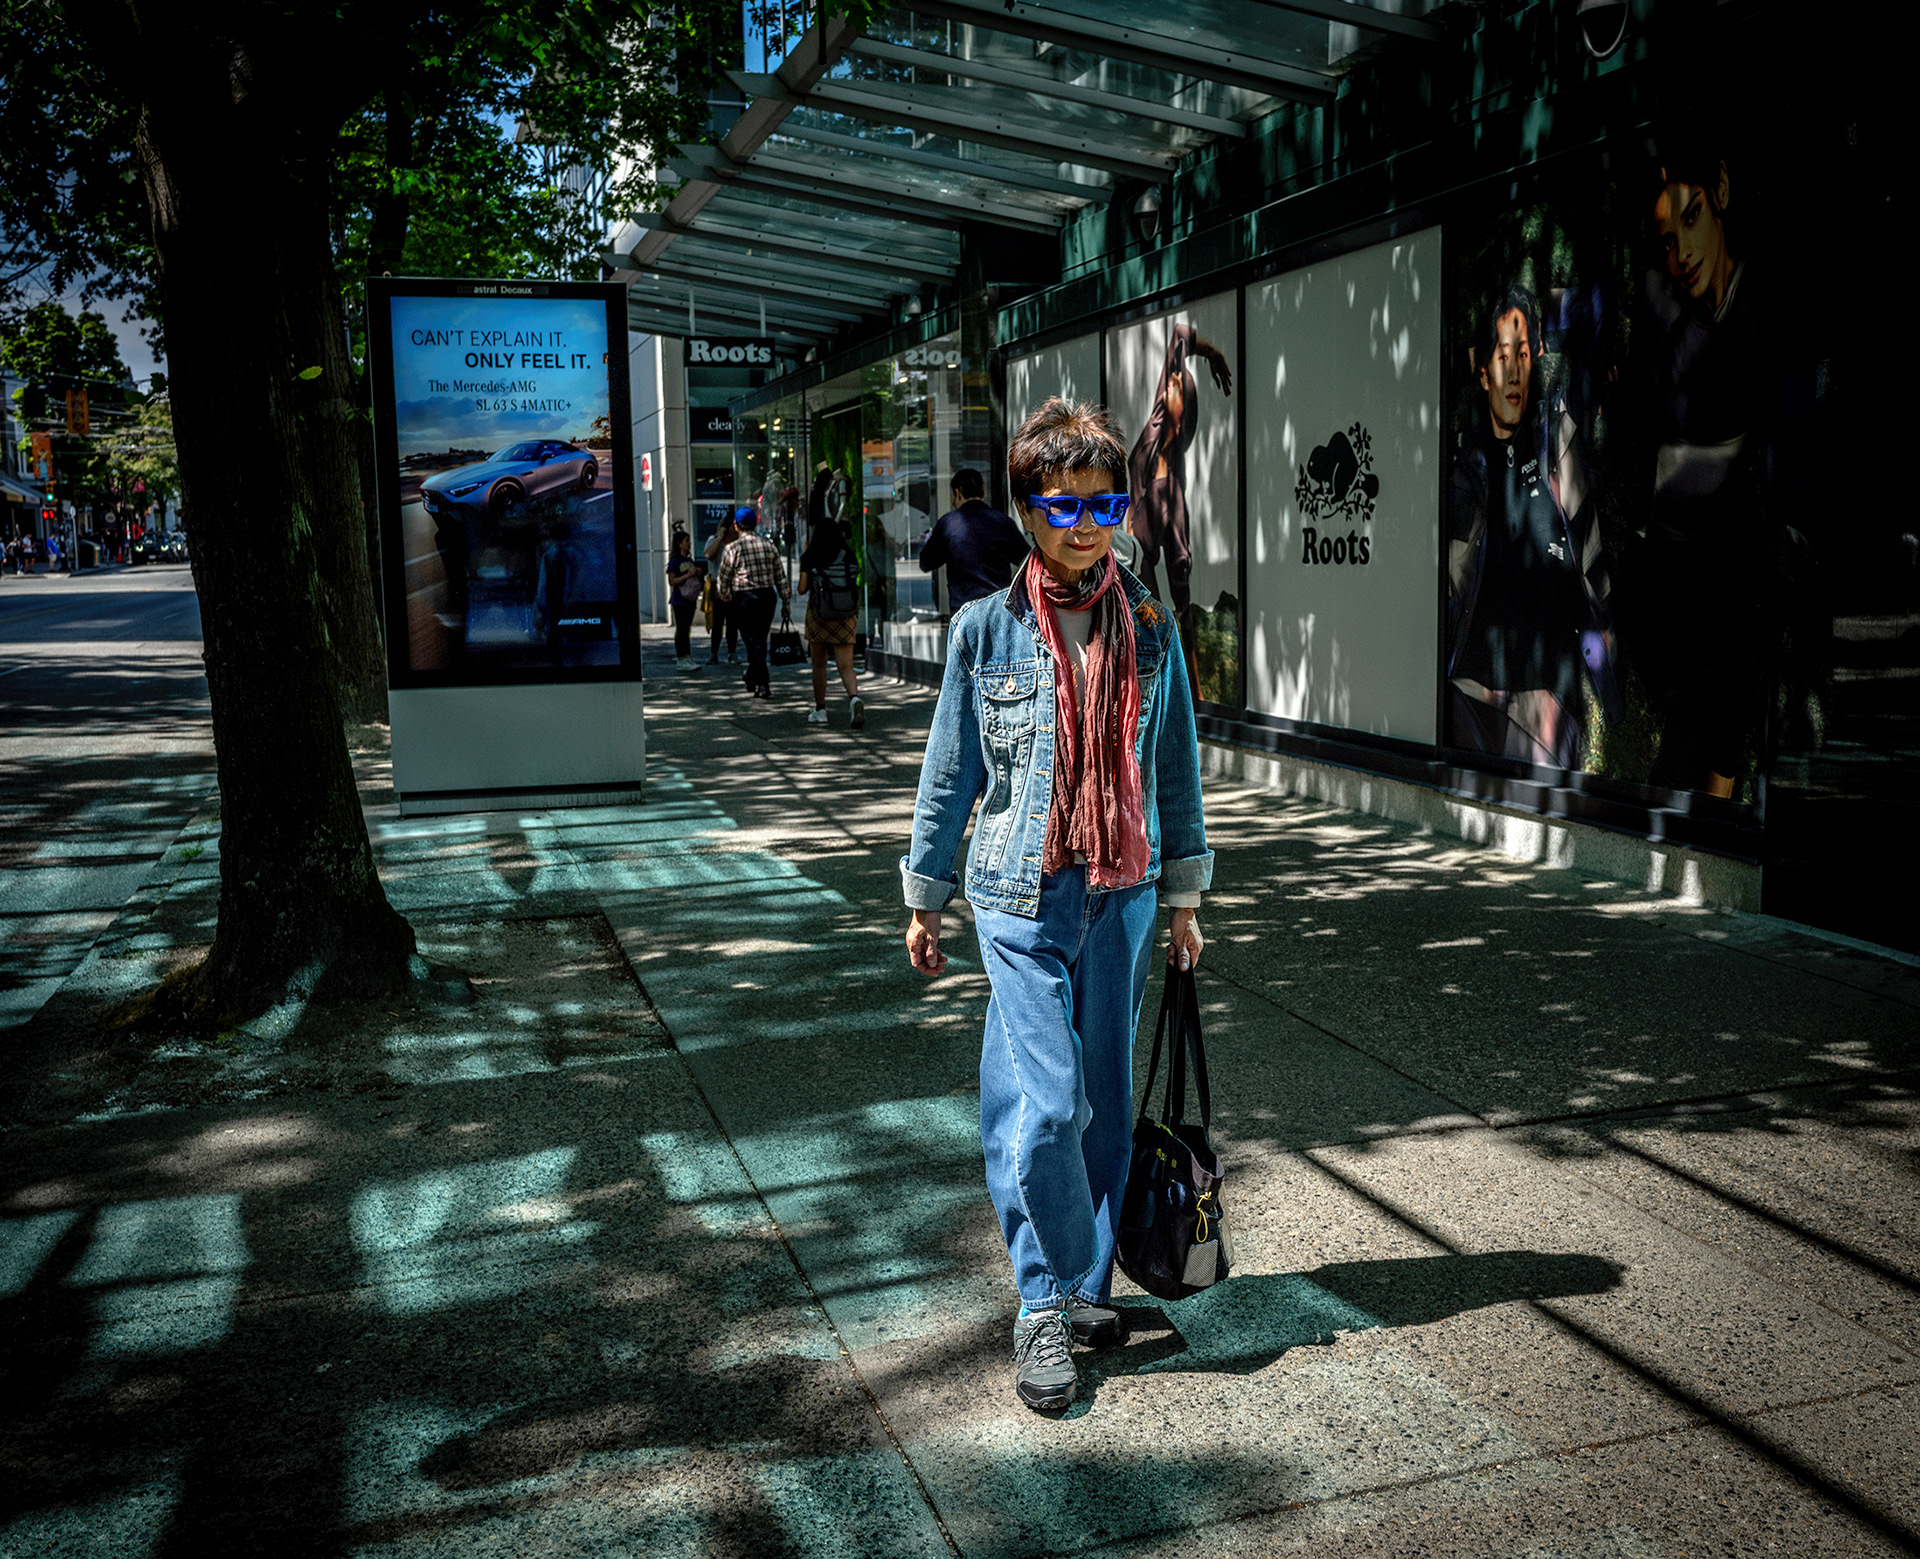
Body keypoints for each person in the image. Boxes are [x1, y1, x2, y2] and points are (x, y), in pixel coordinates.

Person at [902, 397, 1212, 1414]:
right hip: (1017, 892)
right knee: (1045, 1104)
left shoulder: (1154, 627)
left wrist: (1184, 899)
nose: (1087, 523)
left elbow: (1174, 771)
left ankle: (1084, 1289)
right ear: (1028, 510)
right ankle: (1041, 1298)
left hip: (1121, 895)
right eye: (1064, 504)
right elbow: (952, 773)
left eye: (1103, 502)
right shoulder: (983, 630)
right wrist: (925, 893)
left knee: (1106, 1104)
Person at [1446, 284, 1617, 766]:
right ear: (1483, 372)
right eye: (1502, 356)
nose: (1515, 371)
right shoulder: (1464, 462)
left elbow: (1596, 308)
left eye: (1524, 353)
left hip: (1547, 698)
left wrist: (1535, 312)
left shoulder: (1555, 434)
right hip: (1472, 694)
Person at [1126, 321, 1232, 694]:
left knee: (1180, 606)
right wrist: (1212, 352)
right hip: (1141, 543)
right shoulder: (1152, 433)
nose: (1169, 386)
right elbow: (1180, 335)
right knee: (1148, 608)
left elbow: (1180, 582)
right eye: (1170, 384)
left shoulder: (1172, 479)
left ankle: (1191, 688)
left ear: (1183, 409)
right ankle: (1161, 680)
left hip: (1162, 519)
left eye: (1175, 388)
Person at [919, 467, 1029, 613]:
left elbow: (926, 563)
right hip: (999, 608)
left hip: (963, 611)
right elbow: (1026, 560)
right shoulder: (1003, 522)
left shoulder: (948, 524)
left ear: (957, 493)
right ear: (983, 492)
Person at [716, 502, 791, 700]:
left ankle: (763, 683)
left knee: (752, 641)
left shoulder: (733, 548)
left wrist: (723, 593)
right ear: (755, 524)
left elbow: (723, 576)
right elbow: (780, 576)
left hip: (744, 597)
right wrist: (786, 602)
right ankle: (751, 676)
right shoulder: (769, 546)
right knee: (758, 639)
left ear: (736, 525)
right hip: (767, 596)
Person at [799, 509, 864, 727]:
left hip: (820, 614)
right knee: (846, 665)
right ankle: (854, 698)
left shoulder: (810, 556)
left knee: (819, 664)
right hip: (846, 615)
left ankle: (820, 709)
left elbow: (802, 588)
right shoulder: (848, 553)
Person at [704, 513, 740, 664]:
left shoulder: (737, 543)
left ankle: (732, 652)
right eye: (733, 526)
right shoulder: (714, 541)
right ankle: (714, 653)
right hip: (716, 585)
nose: (736, 529)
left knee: (733, 622)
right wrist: (720, 538)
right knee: (717, 622)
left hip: (733, 586)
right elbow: (708, 555)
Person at [666, 531, 704, 670]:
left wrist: (697, 572)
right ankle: (681, 658)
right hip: (680, 600)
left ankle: (687, 656)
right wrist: (688, 575)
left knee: (686, 629)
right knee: (681, 629)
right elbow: (672, 581)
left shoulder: (688, 560)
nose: (689, 543)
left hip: (690, 600)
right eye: (686, 541)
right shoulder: (675, 561)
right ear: (679, 543)